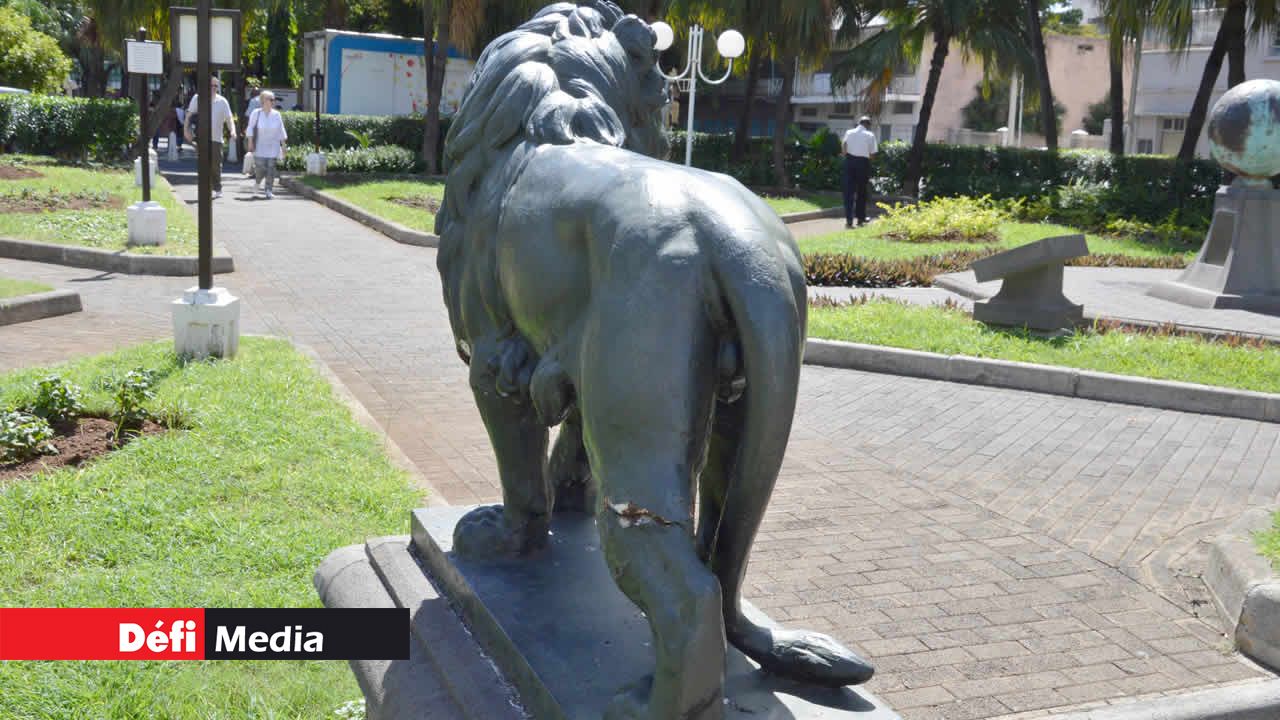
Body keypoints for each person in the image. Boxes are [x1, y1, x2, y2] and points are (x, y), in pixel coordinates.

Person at [183, 77, 237, 198]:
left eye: (215, 86)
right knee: (203, 164)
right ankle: (205, 188)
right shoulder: (197, 98)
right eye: (211, 85)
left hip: (216, 139)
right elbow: (189, 115)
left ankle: (217, 187)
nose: (213, 88)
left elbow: (229, 119)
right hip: (201, 138)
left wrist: (232, 131)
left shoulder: (222, 101)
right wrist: (185, 130)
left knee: (215, 165)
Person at [245, 90, 287, 199]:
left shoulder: (276, 114)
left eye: (273, 100)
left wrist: (283, 145)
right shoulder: (256, 113)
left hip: (273, 146)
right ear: (263, 100)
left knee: (271, 169)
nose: (273, 101)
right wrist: (250, 142)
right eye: (271, 99)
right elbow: (250, 128)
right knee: (260, 169)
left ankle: (268, 190)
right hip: (259, 146)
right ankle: (257, 183)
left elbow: (280, 130)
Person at [841, 116, 878, 228]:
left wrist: (847, 156)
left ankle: (849, 220)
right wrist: (865, 159)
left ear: (859, 123)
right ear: (868, 125)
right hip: (863, 163)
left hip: (849, 162)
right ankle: (860, 219)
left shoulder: (849, 132)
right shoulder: (870, 135)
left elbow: (844, 146)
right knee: (862, 192)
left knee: (849, 192)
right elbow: (873, 154)